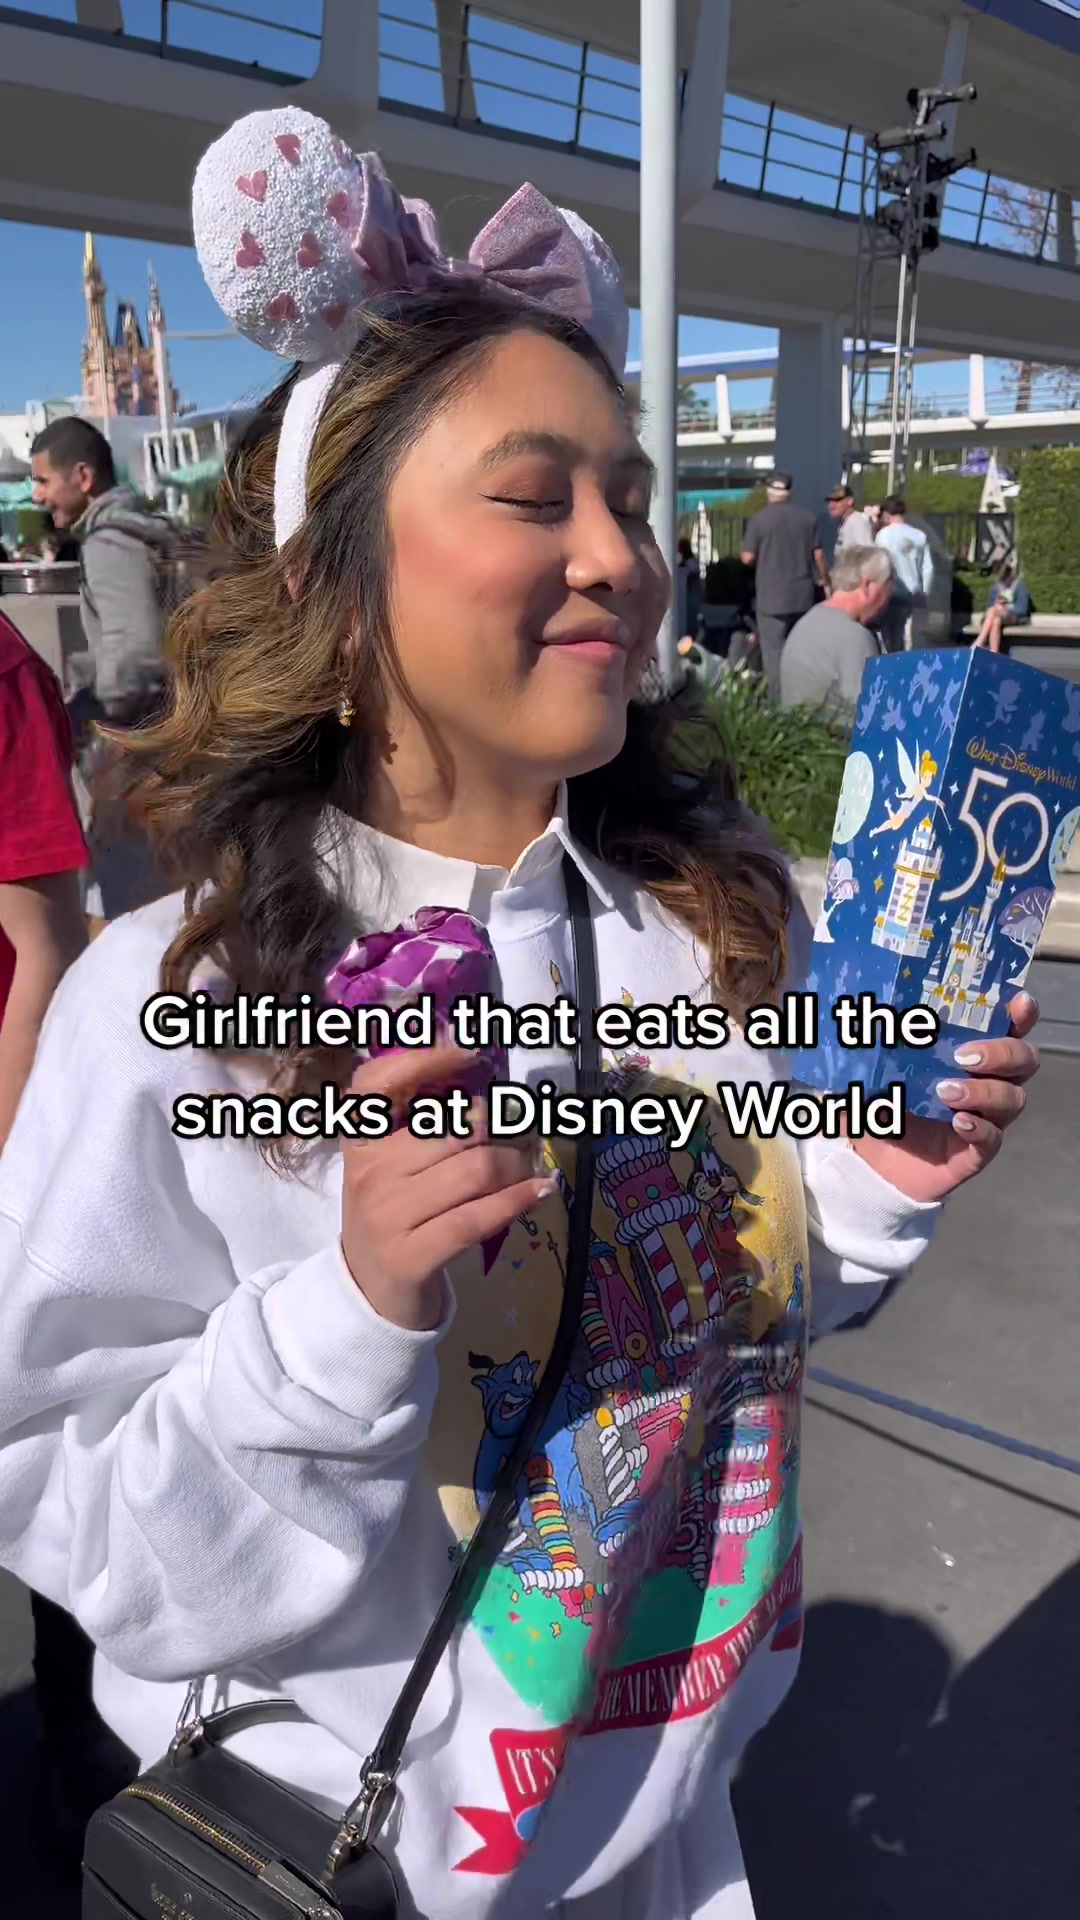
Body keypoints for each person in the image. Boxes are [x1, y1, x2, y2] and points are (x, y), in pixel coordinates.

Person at [0, 112, 1040, 1920]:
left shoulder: (718, 922)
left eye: (628, 497)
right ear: (338, 588)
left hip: (678, 1853)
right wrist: (349, 1312)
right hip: (336, 1867)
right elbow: (74, 1508)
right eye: (535, 495)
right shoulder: (175, 1006)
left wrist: (870, 1184)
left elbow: (747, 1320)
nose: (622, 556)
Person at [30, 417, 169, 918]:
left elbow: (137, 653)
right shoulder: (133, 531)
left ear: (83, 477)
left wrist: (96, 730)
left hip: (136, 751)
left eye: (43, 481)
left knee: (124, 906)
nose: (37, 496)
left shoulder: (109, 542)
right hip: (157, 745)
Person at [740, 472, 827, 698]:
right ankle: (805, 700)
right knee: (803, 652)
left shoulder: (759, 520)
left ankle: (779, 706)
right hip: (803, 597)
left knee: (774, 656)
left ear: (769, 492)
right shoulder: (808, 519)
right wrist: (826, 582)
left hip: (771, 599)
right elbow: (818, 555)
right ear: (789, 493)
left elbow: (747, 558)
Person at [779, 545, 892, 714]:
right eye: (887, 590)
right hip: (832, 729)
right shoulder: (855, 637)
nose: (887, 602)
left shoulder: (808, 621)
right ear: (867, 585)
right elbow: (870, 713)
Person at [875, 494, 935, 652]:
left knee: (888, 635)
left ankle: (890, 661)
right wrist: (924, 593)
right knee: (908, 634)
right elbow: (928, 568)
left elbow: (880, 565)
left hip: (890, 591)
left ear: (886, 513)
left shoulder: (883, 535)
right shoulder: (919, 536)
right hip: (913, 591)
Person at [975, 560, 1032, 652]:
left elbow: (1022, 609)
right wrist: (997, 604)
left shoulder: (1019, 586)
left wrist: (1005, 608)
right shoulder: (995, 588)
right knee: (996, 619)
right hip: (997, 616)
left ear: (1010, 575)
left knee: (993, 611)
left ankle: (979, 641)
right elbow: (989, 606)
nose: (1003, 582)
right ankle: (994, 652)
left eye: (1005, 578)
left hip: (1014, 617)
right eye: (1001, 579)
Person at [824, 482, 875, 554]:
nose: (831, 505)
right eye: (829, 501)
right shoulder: (844, 522)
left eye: (837, 500)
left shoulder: (857, 521)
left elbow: (867, 554)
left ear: (850, 501)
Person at [676, 533, 702, 640]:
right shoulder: (688, 562)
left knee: (690, 618)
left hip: (690, 594)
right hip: (690, 594)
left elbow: (692, 576)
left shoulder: (690, 562)